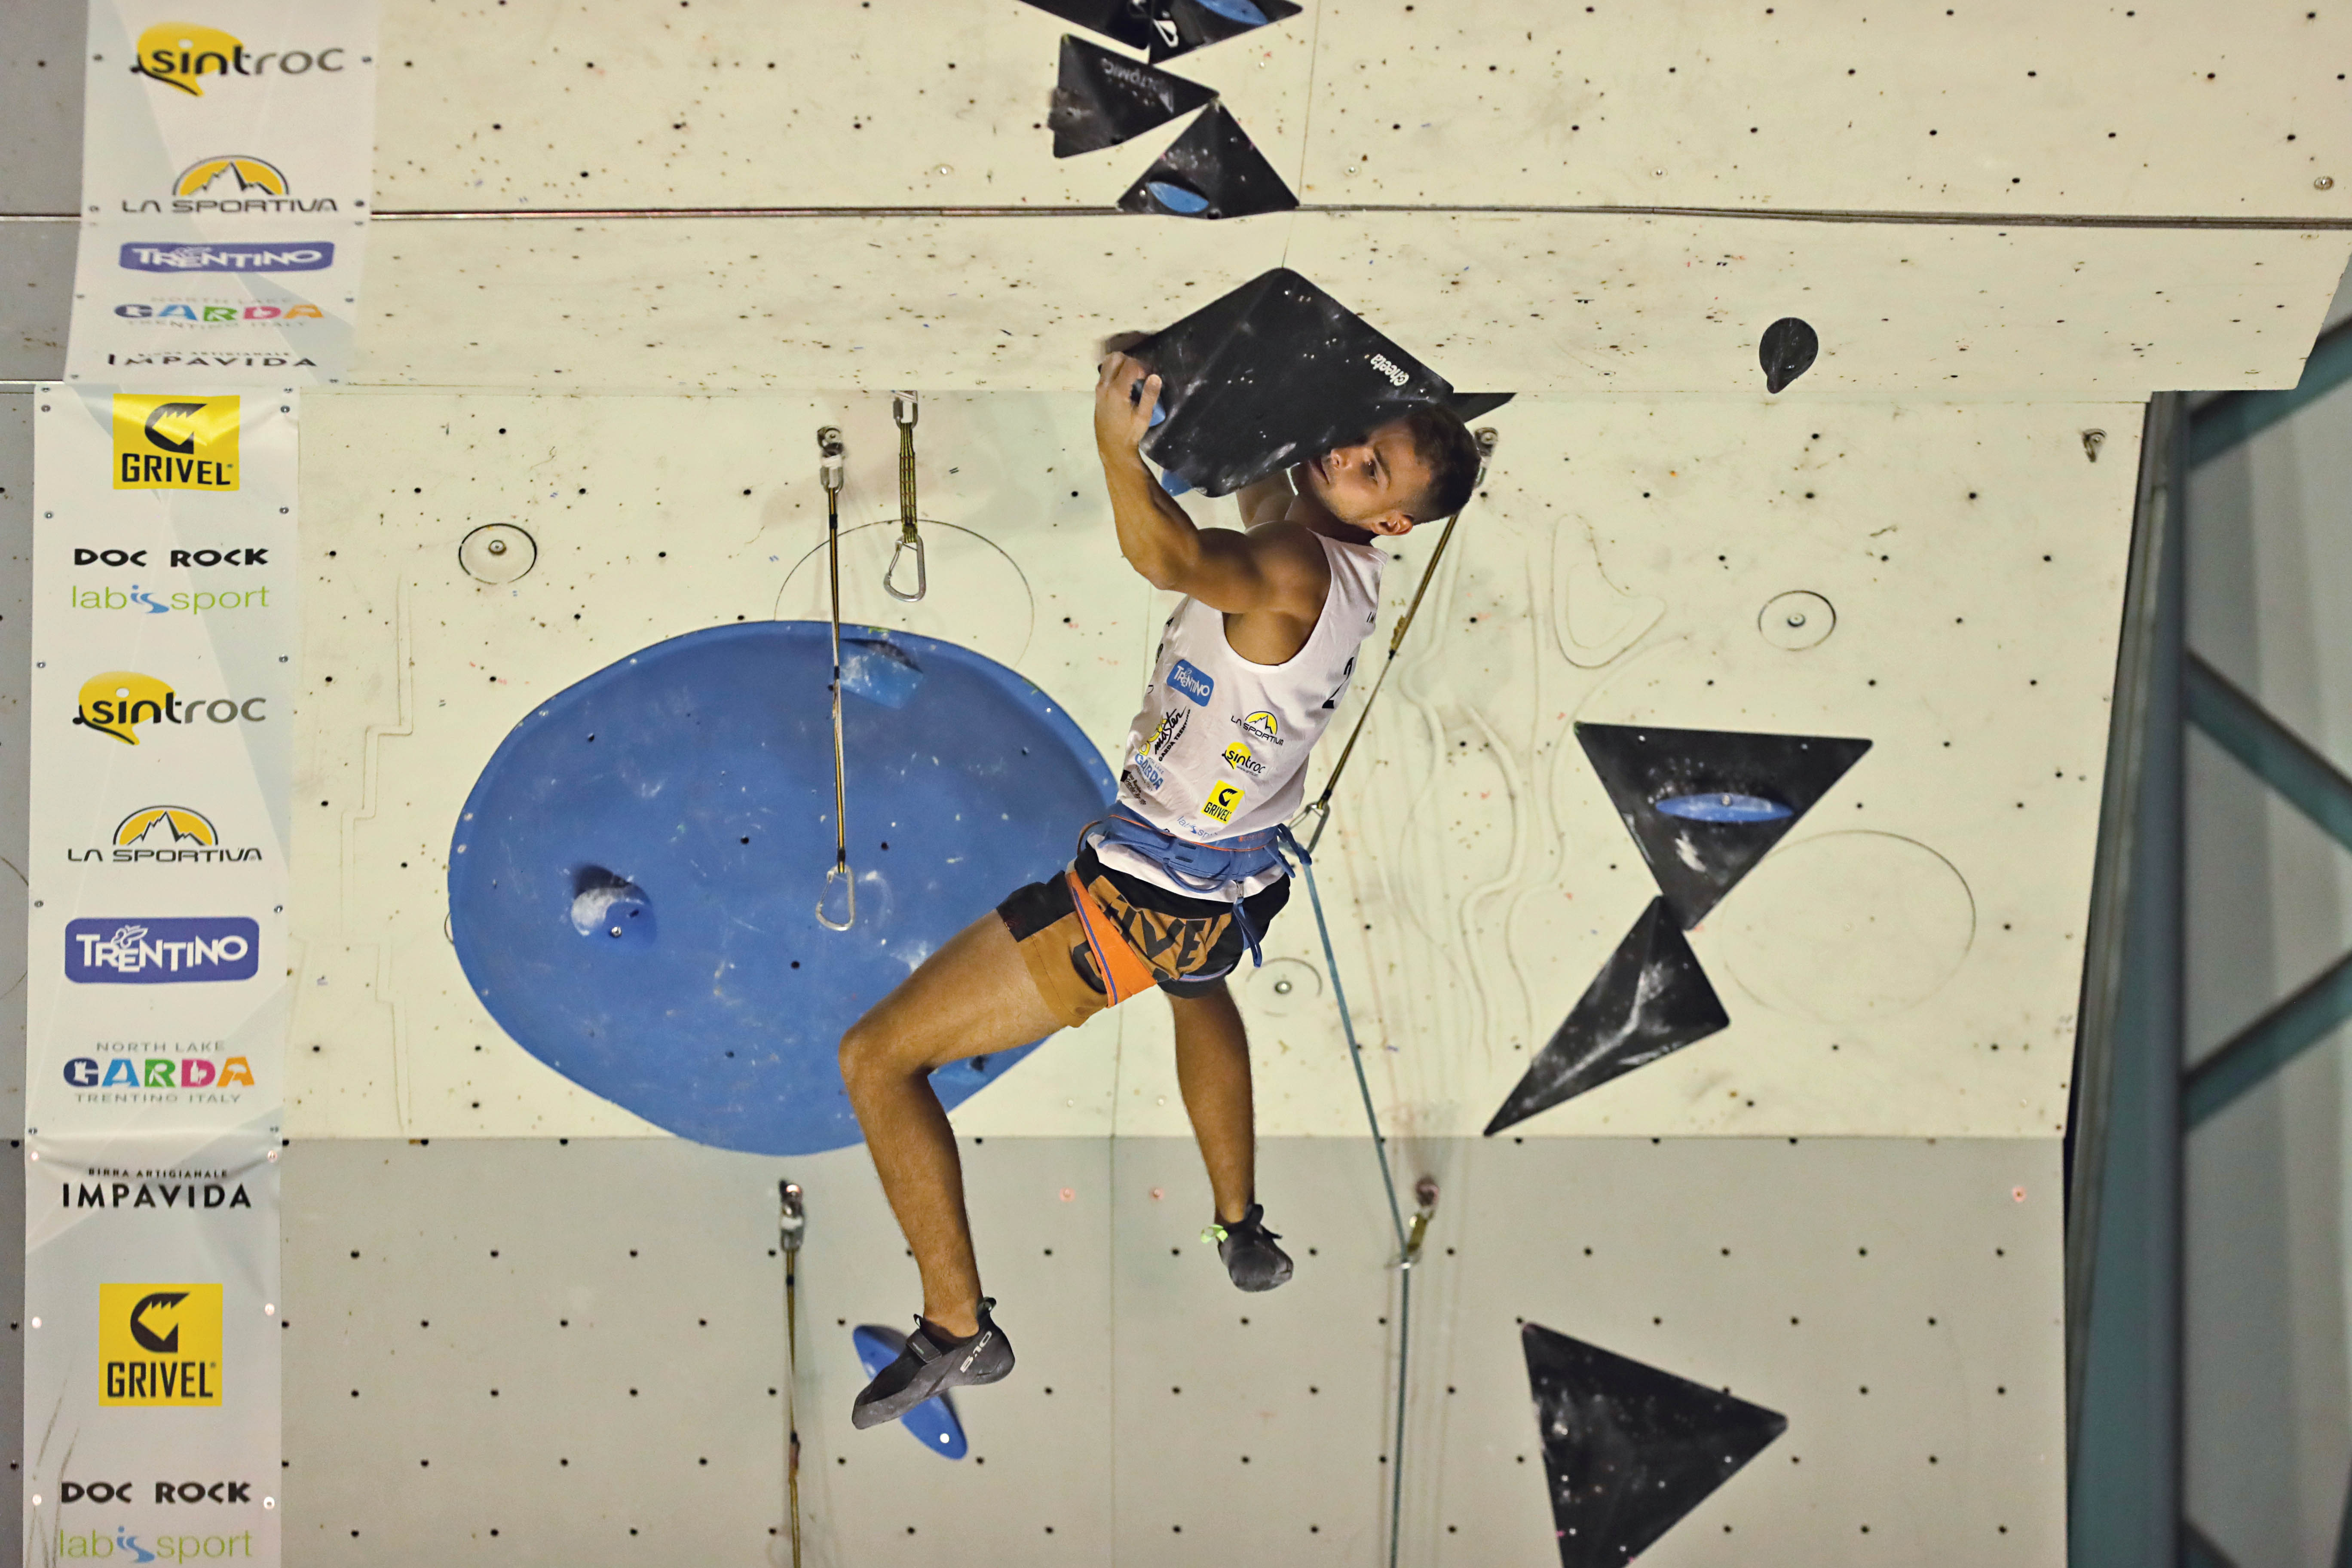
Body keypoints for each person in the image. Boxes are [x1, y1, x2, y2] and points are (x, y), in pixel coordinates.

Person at [839, 352, 1482, 1430]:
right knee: (1197, 987)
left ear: (1396, 524)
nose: (1345, 461)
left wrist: (1113, 438)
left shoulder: (1293, 567)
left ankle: (959, 1328)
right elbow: (1271, 482)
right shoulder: (1335, 550)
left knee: (878, 1059)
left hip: (1149, 892)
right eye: (1356, 441)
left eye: (1373, 470)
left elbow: (1167, 554)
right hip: (1234, 879)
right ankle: (1237, 1221)